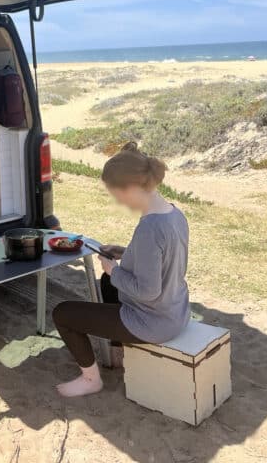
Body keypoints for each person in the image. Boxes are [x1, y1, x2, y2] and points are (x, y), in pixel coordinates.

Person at [52, 142, 190, 397]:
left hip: (154, 323)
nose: (117, 201)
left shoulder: (150, 228)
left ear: (131, 188)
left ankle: (91, 379)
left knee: (63, 313)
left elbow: (148, 291)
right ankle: (119, 351)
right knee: (107, 284)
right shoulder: (174, 214)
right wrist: (125, 252)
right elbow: (165, 261)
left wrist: (113, 270)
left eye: (116, 194)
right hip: (176, 312)